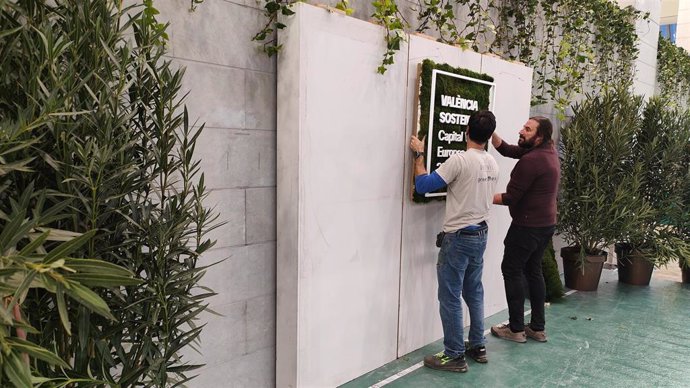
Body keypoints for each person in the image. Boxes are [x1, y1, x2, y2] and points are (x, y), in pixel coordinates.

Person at [410, 110, 499, 373]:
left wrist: (418, 154)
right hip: (480, 234)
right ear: (489, 136)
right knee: (474, 291)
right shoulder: (492, 162)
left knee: (450, 297)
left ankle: (454, 355)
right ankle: (478, 346)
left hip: (459, 237)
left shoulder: (459, 160)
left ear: (467, 132)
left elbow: (423, 185)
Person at [489, 116, 560, 344]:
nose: (521, 130)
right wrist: (492, 134)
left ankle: (516, 329)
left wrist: (480, 195)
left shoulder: (531, 162)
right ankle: (537, 328)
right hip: (545, 224)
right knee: (533, 270)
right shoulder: (546, 152)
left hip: (527, 227)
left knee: (511, 270)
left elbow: (511, 198)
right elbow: (510, 150)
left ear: (538, 137)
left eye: (527, 129)